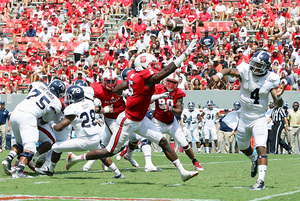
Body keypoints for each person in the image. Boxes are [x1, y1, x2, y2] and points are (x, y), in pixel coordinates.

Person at [65, 40, 199, 182]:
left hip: (140, 120)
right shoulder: (144, 78)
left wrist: (129, 94)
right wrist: (185, 53)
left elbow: (117, 90)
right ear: (143, 67)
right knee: (109, 151)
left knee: (163, 142)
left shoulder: (132, 74)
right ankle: (77, 158)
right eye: (150, 65)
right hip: (128, 120)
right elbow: (167, 71)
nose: (153, 67)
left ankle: (183, 172)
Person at [210, 51, 286, 190]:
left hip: (259, 117)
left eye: (258, 64)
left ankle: (260, 181)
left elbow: (277, 103)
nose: (254, 66)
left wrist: (279, 97)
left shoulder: (272, 78)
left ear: (266, 66)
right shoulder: (245, 70)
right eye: (254, 63)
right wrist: (219, 74)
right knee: (244, 147)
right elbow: (230, 70)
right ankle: (254, 160)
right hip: (244, 116)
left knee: (261, 147)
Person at [2, 80, 65, 178]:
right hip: (29, 117)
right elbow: (44, 121)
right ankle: (19, 169)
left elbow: (30, 88)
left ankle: (8, 159)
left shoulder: (38, 85)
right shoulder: (56, 102)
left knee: (20, 143)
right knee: (30, 147)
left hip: (15, 112)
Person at [152, 73, 204, 171]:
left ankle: (195, 162)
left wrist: (169, 108)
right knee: (144, 139)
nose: (171, 85)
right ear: (165, 81)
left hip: (171, 123)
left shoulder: (178, 93)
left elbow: (179, 112)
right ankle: (144, 162)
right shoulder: (158, 88)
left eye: (173, 83)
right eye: (170, 82)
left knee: (184, 143)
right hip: (157, 121)